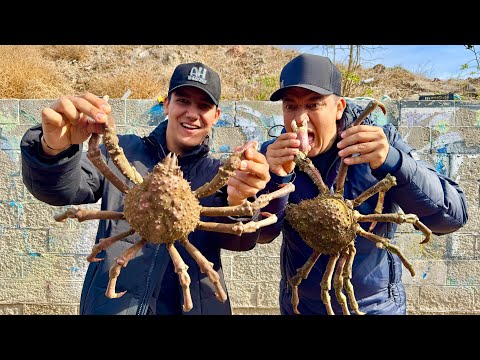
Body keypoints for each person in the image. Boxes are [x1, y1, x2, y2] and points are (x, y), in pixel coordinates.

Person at [20, 61, 271, 315]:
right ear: (167, 105)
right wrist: (52, 151)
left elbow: (241, 237)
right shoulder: (123, 153)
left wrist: (241, 199)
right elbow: (64, 189)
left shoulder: (220, 176)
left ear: (216, 116)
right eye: (183, 100)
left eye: (204, 106)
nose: (192, 113)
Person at [258, 53, 468, 315]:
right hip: (300, 305)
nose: (300, 119)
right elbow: (262, 234)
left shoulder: (380, 143)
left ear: (339, 107)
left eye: (314, 105)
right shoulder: (273, 155)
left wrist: (395, 162)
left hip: (375, 307)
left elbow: (452, 218)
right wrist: (277, 178)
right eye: (291, 106)